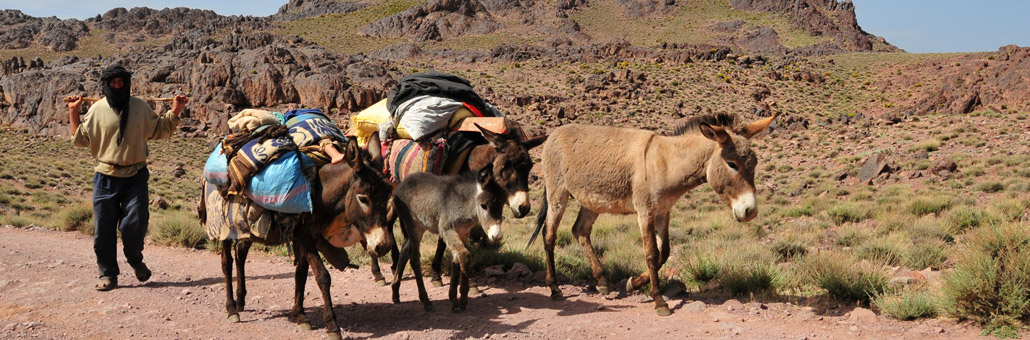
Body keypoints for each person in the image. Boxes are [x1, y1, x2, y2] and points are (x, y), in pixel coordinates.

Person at [67, 65, 188, 291]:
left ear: (127, 84)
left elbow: (161, 129)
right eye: (112, 82)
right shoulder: (96, 109)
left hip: (136, 175)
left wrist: (176, 109)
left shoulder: (140, 107)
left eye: (121, 82)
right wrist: (74, 111)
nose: (117, 86)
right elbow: (80, 139)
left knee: (136, 221)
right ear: (106, 85)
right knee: (103, 229)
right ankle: (108, 274)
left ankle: (134, 258)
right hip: (105, 176)